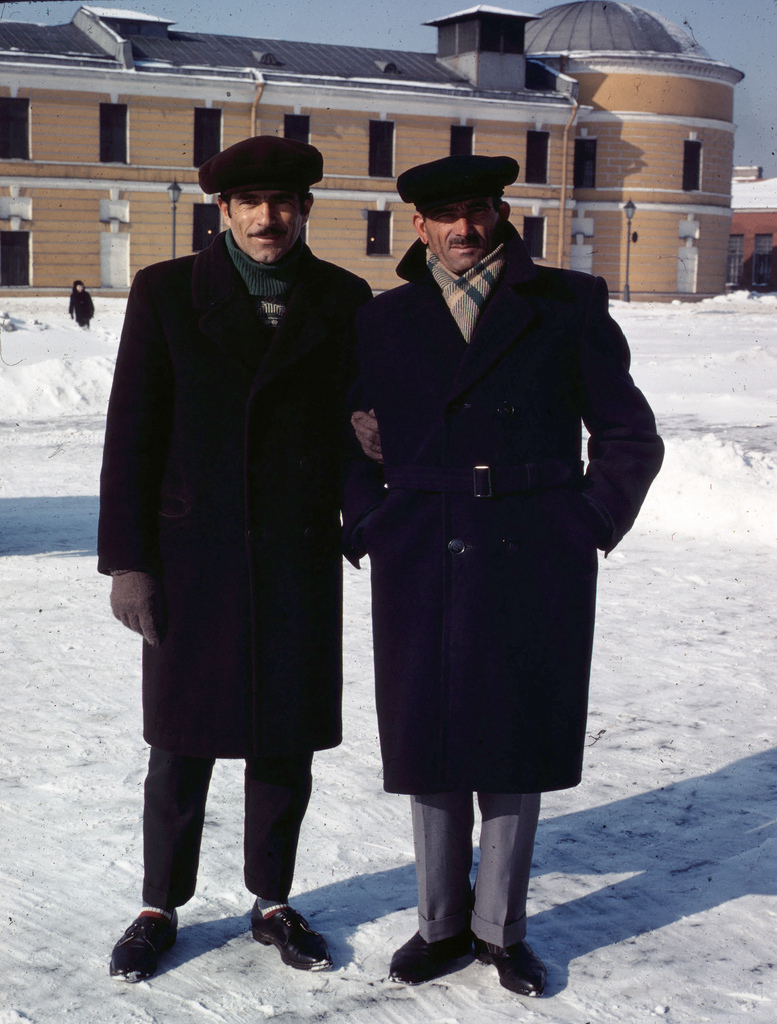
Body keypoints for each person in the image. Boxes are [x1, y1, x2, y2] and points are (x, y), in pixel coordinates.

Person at [344, 154, 663, 997]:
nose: (462, 229)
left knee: (516, 737)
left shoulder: (566, 304)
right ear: (416, 226)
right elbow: (342, 438)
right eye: (441, 215)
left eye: (477, 210)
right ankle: (439, 924)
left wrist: (587, 522)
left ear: (499, 213)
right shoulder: (383, 320)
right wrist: (368, 521)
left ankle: (500, 931)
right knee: (431, 741)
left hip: (534, 550)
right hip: (419, 550)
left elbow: (630, 435)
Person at [98, 135, 371, 982]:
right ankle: (158, 903)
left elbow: (354, 437)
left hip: (294, 556)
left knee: (282, 740)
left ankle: (273, 900)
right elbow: (132, 431)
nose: (267, 217)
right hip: (195, 556)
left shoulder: (342, 297)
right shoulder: (168, 293)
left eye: (283, 202)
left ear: (304, 210)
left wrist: (376, 511)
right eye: (249, 203)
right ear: (223, 212)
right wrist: (130, 561)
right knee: (180, 742)